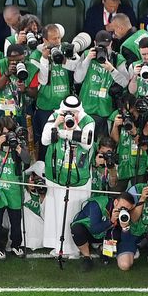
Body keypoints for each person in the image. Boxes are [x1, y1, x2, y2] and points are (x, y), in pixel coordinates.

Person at [41, 96, 96, 257]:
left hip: (78, 175)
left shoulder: (88, 121)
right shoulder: (54, 116)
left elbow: (87, 143)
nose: (70, 115)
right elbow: (45, 140)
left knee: (73, 210)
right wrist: (56, 123)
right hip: (57, 173)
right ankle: (57, 244)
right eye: (67, 112)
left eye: (73, 112)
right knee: (56, 209)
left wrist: (71, 127)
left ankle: (74, 247)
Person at [0, 118, 31, 259]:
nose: (8, 136)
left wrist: (17, 147)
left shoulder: (19, 144)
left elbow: (27, 160)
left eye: (10, 133)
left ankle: (16, 245)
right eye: (5, 133)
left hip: (14, 188)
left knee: (16, 221)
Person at [76, 31, 130, 136]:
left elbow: (124, 83)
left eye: (106, 46)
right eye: (100, 46)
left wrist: (112, 69)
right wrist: (87, 60)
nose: (104, 49)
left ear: (111, 44)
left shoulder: (117, 58)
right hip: (86, 109)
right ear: (95, 43)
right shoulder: (87, 54)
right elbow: (77, 79)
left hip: (106, 110)